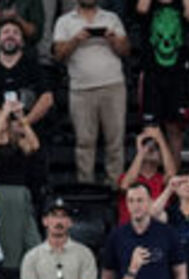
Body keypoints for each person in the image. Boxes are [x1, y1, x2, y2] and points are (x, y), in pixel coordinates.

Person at [52, 0, 130, 185]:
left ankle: (115, 186)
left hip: (113, 85)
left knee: (115, 142)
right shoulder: (65, 21)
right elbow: (58, 55)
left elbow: (125, 50)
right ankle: (85, 186)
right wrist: (76, 39)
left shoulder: (111, 18)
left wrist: (112, 39)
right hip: (81, 89)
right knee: (84, 143)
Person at [101, 181, 187, 279]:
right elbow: (107, 276)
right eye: (131, 201)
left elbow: (181, 272)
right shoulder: (117, 236)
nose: (136, 205)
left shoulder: (167, 233)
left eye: (140, 200)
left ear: (149, 202)